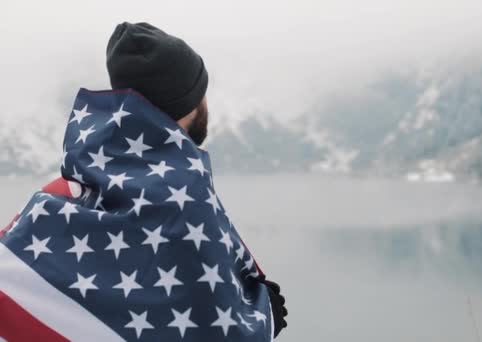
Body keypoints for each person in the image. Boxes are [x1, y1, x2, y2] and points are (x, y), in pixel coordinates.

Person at [0, 22, 287, 341]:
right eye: (201, 91)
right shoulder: (183, 197)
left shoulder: (63, 192)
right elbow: (220, 325)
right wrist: (267, 314)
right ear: (189, 103)